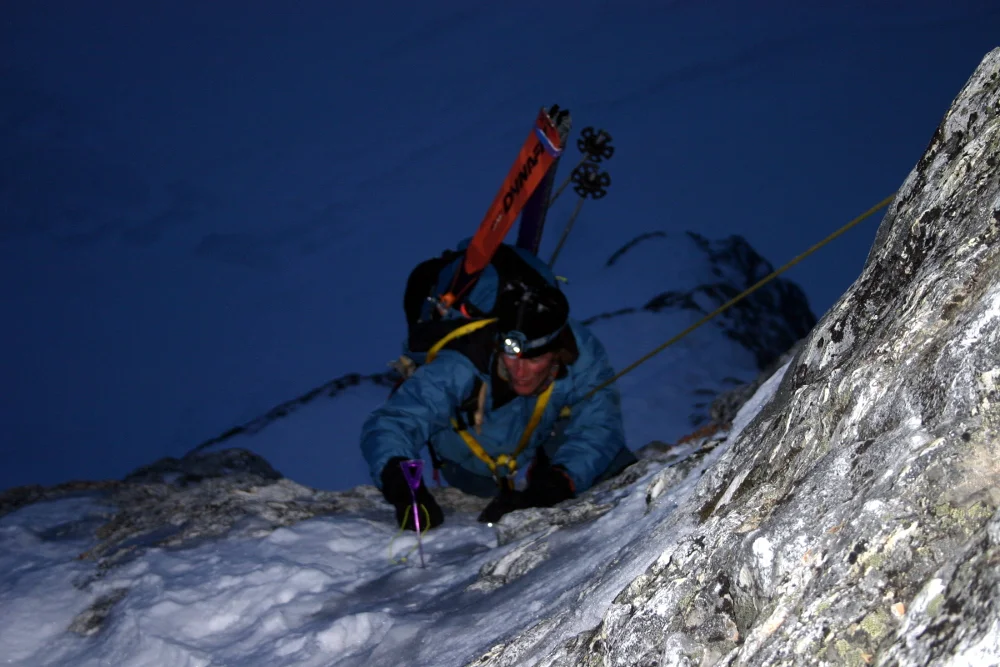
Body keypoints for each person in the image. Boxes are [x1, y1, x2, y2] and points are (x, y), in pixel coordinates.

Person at [360, 242, 636, 529]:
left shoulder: (582, 351)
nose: (519, 370)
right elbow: (394, 421)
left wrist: (559, 483)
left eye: (533, 359)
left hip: (539, 444)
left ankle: (546, 469)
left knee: (613, 464)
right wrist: (402, 484)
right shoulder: (463, 361)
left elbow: (600, 423)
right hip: (470, 467)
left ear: (557, 351)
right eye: (511, 355)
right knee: (482, 491)